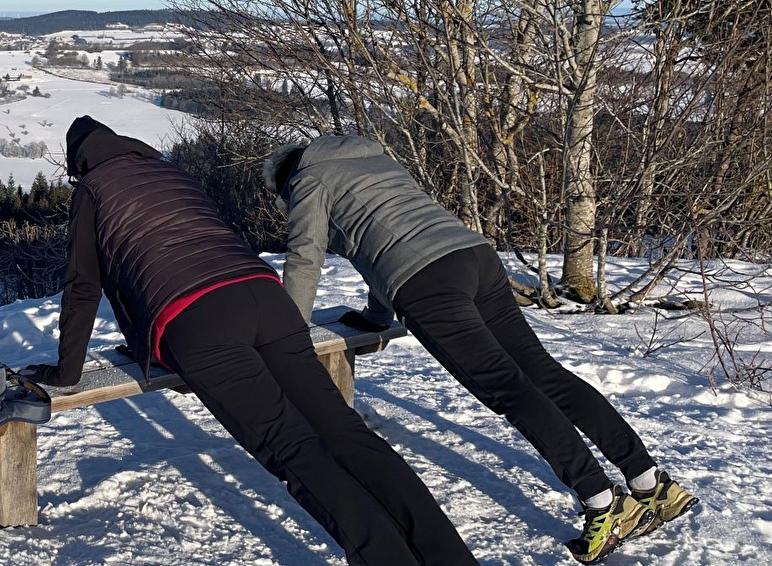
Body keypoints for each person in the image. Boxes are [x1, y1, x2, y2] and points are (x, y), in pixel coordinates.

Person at [21, 116, 477, 566]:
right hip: (263, 294)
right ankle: (450, 556)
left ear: (78, 163)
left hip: (196, 319)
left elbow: (83, 286)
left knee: (294, 449)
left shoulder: (93, 188)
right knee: (346, 432)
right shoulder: (172, 172)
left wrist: (68, 371)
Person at [265, 135, 699, 564]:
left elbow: (306, 254)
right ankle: (651, 483)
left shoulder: (308, 180)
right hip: (473, 256)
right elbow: (383, 247)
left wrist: (288, 332)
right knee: (544, 374)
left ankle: (604, 504)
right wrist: (376, 317)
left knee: (510, 390)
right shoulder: (374, 161)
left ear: (285, 182)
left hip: (427, 287)